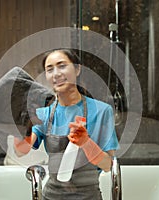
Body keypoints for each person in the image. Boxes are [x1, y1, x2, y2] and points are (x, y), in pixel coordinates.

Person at [14, 49, 119, 200]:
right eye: (49, 69)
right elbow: (21, 150)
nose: (56, 74)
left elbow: (108, 165)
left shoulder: (102, 111)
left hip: (89, 196)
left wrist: (85, 142)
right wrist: (19, 121)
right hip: (51, 196)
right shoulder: (43, 114)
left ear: (77, 69)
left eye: (62, 66)